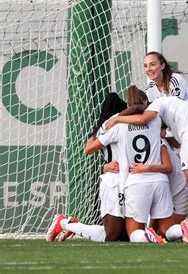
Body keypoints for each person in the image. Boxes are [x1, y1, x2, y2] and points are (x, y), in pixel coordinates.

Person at [105, 95, 188, 243]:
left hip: (187, 150)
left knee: (135, 233)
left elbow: (142, 119)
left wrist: (116, 119)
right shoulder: (177, 105)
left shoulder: (157, 106)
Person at [46, 93, 130, 243]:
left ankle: (71, 224)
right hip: (114, 181)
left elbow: (90, 145)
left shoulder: (101, 127)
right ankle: (65, 223)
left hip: (124, 179)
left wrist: (105, 166)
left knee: (125, 236)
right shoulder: (117, 125)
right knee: (112, 236)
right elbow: (89, 149)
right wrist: (106, 166)